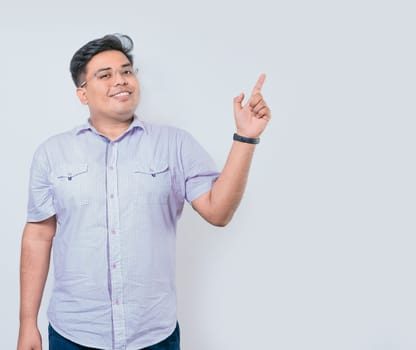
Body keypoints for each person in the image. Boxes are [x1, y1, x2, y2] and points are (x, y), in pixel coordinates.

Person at [17, 33, 271, 350]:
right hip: (74, 333)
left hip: (152, 334)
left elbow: (218, 212)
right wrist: (27, 323)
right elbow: (38, 236)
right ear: (83, 94)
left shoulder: (175, 144)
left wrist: (245, 138)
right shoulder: (52, 153)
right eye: (105, 75)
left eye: (126, 71)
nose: (121, 80)